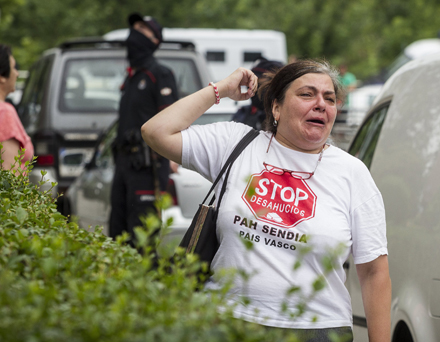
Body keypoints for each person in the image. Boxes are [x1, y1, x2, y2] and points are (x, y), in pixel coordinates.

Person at [141, 61, 391, 342]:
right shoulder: (235, 143)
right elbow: (155, 131)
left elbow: (374, 272)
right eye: (307, 94)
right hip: (226, 323)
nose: (321, 104)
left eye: (329, 98)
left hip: (318, 331)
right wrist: (220, 89)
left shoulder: (352, 173)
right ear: (276, 107)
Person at [109, 13, 179, 245]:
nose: (134, 32)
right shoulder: (132, 77)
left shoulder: (160, 74)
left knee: (142, 237)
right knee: (117, 232)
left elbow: (173, 120)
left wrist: (171, 158)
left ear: (155, 40)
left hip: (147, 165)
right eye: (134, 27)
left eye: (142, 28)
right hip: (123, 164)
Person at [0, 44, 33, 175]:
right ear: (1, 76)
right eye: (14, 68)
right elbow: (9, 174)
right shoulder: (4, 112)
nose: (17, 73)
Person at [232, 58, 284, 130]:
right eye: (250, 82)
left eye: (257, 82)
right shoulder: (243, 113)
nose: (251, 86)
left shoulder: (286, 117)